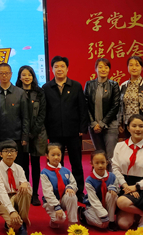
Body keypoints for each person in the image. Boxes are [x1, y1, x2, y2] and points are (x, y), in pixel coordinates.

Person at [42, 56, 88, 200]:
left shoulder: (76, 86)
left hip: (73, 131)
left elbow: (82, 108)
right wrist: (46, 131)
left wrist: (82, 128)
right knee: (55, 163)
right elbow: (44, 111)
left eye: (62, 66)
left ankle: (79, 191)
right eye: (56, 67)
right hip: (54, 132)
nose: (59, 69)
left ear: (67, 69)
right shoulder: (46, 88)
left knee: (76, 163)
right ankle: (57, 192)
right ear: (52, 69)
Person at [113, 114, 143, 230]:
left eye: (141, 126)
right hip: (125, 185)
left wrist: (136, 187)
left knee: (121, 202)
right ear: (128, 128)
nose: (137, 129)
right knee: (123, 224)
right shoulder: (119, 146)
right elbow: (115, 168)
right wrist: (125, 186)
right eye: (134, 126)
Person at [15, 65, 47, 206]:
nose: (27, 77)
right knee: (22, 165)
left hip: (37, 133)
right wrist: (25, 133)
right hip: (21, 133)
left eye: (29, 74)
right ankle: (26, 192)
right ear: (20, 77)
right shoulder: (16, 92)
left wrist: (33, 131)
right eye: (24, 75)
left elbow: (42, 113)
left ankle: (35, 194)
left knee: (35, 163)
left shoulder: (39, 92)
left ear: (33, 77)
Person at [0, 64, 29, 171]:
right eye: (1, 73)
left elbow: (25, 116)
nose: (4, 75)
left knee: (19, 167)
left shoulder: (20, 93)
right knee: (2, 168)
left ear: (11, 74)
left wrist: (25, 136)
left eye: (6, 73)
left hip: (17, 137)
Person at [83, 58, 121, 168]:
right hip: (94, 127)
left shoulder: (114, 85)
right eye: (100, 67)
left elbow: (115, 106)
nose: (103, 69)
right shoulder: (89, 84)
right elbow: (85, 106)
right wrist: (94, 123)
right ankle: (101, 177)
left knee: (110, 157)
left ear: (109, 69)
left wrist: (103, 123)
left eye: (106, 67)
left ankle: (111, 178)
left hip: (110, 126)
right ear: (95, 69)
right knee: (100, 156)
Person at [0, 140, 32, 235]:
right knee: (14, 224)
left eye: (12, 151)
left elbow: (25, 186)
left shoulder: (19, 168)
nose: (9, 154)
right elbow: (1, 192)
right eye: (6, 151)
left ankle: (23, 222)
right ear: (0, 154)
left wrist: (25, 183)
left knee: (26, 190)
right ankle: (17, 223)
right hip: (3, 200)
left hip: (17, 197)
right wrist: (11, 211)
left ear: (16, 153)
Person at [118, 56, 143, 147]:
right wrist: (120, 123)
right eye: (131, 65)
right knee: (131, 150)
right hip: (129, 127)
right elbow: (120, 106)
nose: (134, 68)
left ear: (142, 67)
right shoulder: (123, 86)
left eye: (137, 65)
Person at [40, 142, 78, 230]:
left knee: (71, 195)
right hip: (51, 202)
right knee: (60, 219)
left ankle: (72, 223)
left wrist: (70, 187)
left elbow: (74, 184)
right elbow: (48, 193)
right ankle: (54, 221)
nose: (56, 157)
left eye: (58, 155)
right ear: (47, 156)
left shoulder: (66, 171)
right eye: (53, 155)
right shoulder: (44, 173)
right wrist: (56, 206)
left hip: (63, 199)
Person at [81, 150, 118, 231]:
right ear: (92, 164)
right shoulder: (89, 181)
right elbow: (94, 200)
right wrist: (103, 214)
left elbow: (117, 190)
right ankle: (83, 214)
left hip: (107, 204)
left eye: (102, 162)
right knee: (102, 224)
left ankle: (111, 220)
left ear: (107, 162)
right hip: (94, 205)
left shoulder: (112, 176)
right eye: (97, 163)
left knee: (112, 193)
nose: (100, 166)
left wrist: (114, 188)